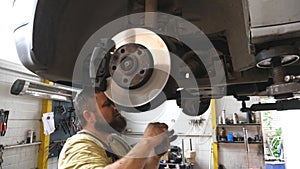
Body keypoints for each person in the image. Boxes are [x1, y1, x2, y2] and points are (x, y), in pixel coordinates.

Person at [58, 87, 176, 169]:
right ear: (89, 116)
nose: (115, 108)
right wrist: (146, 143)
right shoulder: (78, 145)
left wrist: (155, 155)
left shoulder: (117, 142)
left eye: (113, 103)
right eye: (107, 105)